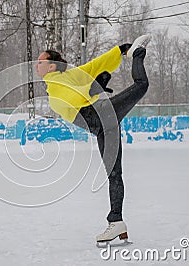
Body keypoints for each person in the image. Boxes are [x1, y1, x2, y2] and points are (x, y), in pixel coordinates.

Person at [35, 35, 151, 243]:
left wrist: (121, 51)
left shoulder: (60, 81)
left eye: (40, 62)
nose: (37, 65)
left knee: (141, 84)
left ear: (51, 67)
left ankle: (137, 53)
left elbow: (93, 67)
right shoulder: (55, 87)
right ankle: (116, 222)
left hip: (104, 114)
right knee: (114, 174)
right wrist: (92, 87)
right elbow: (72, 96)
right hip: (103, 128)